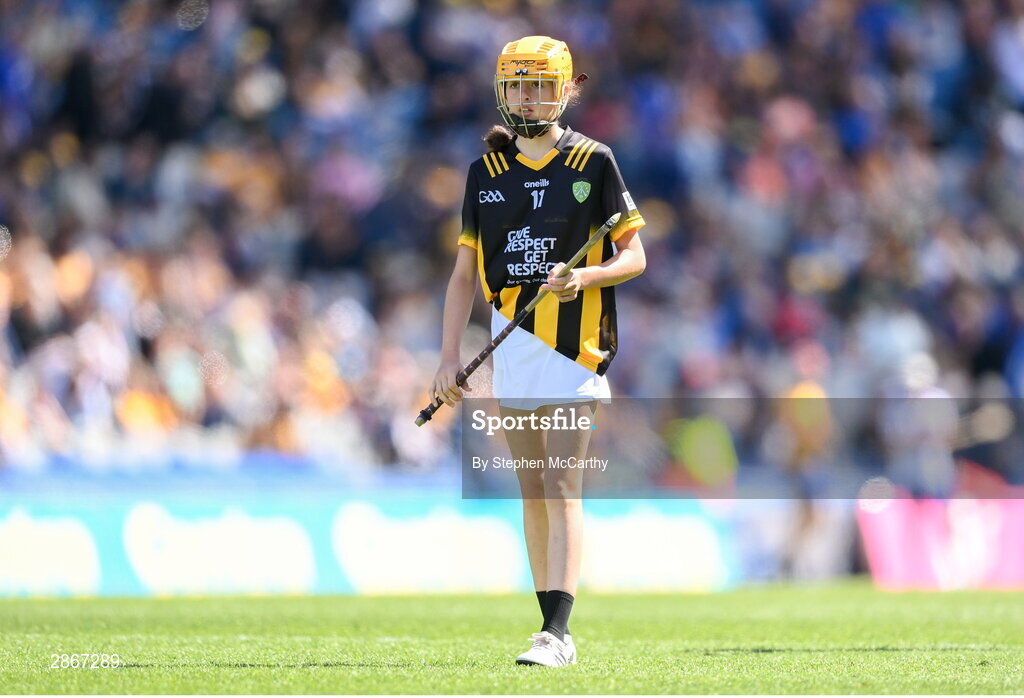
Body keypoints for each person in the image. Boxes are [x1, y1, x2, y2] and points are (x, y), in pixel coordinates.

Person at [430, 36, 646, 667]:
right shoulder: (484, 175)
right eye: (518, 85)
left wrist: (584, 277)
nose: (529, 97)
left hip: (575, 351)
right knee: (532, 488)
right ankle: (546, 623)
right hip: (513, 349)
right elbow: (463, 275)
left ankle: (558, 632)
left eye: (541, 85)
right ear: (504, 91)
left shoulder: (594, 161)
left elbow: (635, 255)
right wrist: (448, 356)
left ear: (566, 90)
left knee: (560, 481)